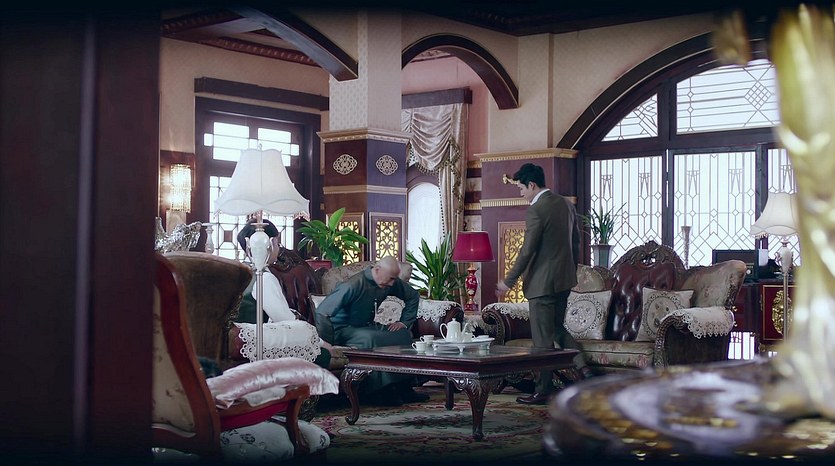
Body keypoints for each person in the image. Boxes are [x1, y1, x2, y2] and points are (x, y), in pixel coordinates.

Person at [495, 163, 591, 405]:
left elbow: (527, 250)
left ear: (532, 185)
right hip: (564, 281)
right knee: (558, 329)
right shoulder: (566, 205)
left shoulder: (536, 210)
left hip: (542, 285)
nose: (521, 194)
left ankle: (543, 390)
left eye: (521, 188)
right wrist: (570, 270)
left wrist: (509, 281)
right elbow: (576, 242)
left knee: (542, 341)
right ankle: (585, 370)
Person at [314, 256, 428, 405]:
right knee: (372, 339)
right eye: (391, 279)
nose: (392, 284)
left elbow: (412, 296)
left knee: (402, 334)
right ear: (377, 270)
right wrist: (326, 342)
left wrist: (404, 322)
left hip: (366, 326)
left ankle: (405, 388)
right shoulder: (352, 285)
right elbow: (322, 312)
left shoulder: (389, 280)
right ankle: (381, 392)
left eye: (394, 279)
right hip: (341, 329)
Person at [237, 218, 332, 369]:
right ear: (270, 243)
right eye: (277, 244)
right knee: (322, 354)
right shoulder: (264, 278)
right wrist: (320, 342)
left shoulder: (241, 273)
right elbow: (286, 321)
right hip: (254, 343)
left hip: (239, 340)